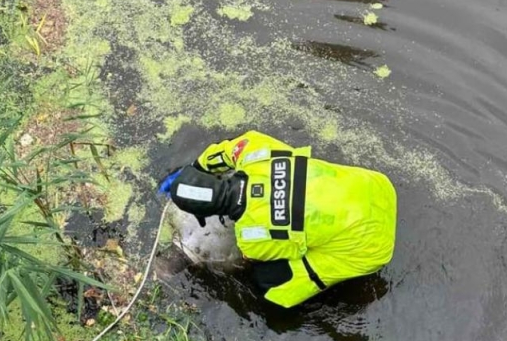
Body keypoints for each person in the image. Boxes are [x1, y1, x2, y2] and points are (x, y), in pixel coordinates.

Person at [159, 130, 397, 308]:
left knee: (272, 287)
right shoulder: (254, 156)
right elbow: (229, 150)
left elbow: (249, 258)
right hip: (376, 187)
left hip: (372, 244)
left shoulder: (255, 235)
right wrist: (196, 167)